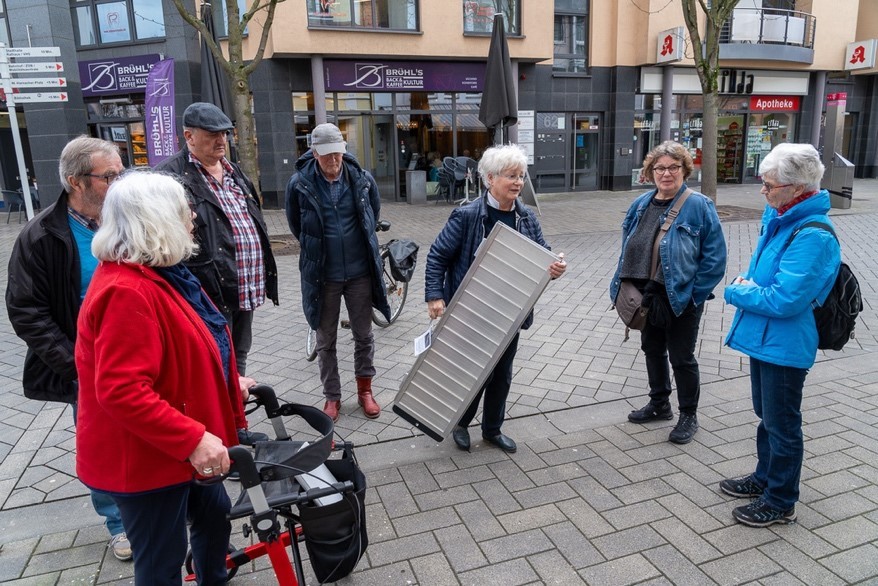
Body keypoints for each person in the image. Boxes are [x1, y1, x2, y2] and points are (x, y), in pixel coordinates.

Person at [75, 170, 246, 582]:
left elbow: (185, 346)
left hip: (176, 449)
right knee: (160, 564)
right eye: (182, 210)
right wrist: (192, 438)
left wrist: (226, 379)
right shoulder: (126, 290)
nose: (192, 217)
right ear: (154, 221)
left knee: (216, 517)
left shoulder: (162, 273)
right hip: (148, 459)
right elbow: (122, 391)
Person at [5, 136, 132, 561]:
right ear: (75, 181)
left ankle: (159, 502)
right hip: (88, 368)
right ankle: (119, 524)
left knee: (149, 433)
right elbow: (27, 311)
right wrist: (74, 365)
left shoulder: (127, 221)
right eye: (109, 175)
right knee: (102, 445)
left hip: (139, 358)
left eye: (120, 172)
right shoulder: (41, 236)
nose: (118, 182)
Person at [721, 143, 840, 527]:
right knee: (767, 416)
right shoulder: (781, 218)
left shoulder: (812, 234)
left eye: (769, 185)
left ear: (797, 188)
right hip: (767, 338)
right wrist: (751, 286)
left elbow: (784, 299)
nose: (763, 191)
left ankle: (781, 500)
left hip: (785, 344)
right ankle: (765, 477)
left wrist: (737, 290)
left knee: (783, 424)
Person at [425, 144, 567, 454]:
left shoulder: (525, 216)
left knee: (501, 374)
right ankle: (461, 424)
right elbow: (437, 256)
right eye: (511, 176)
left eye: (521, 176)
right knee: (472, 370)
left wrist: (554, 266)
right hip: (470, 308)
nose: (518, 182)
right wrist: (435, 296)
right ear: (490, 179)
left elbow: (542, 255)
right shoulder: (466, 215)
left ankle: (492, 430)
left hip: (509, 310)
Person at [156, 102, 276, 445]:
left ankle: (235, 429)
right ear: (189, 136)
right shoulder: (170, 177)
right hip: (206, 294)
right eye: (212, 135)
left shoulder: (234, 170)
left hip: (243, 291)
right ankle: (219, 439)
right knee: (210, 369)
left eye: (224, 133)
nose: (221, 140)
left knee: (236, 362)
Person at [609, 141, 726, 445]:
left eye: (674, 167)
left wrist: (693, 296)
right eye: (659, 168)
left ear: (685, 170)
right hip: (646, 296)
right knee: (652, 349)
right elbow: (627, 247)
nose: (666, 173)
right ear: (650, 172)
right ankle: (660, 404)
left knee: (682, 357)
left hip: (679, 296)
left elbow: (715, 260)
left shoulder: (699, 205)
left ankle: (689, 414)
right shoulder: (641, 204)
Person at [285, 123, 391, 422]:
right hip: (323, 275)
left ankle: (365, 390)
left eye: (338, 154)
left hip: (359, 272)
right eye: (327, 155)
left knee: (364, 335)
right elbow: (296, 225)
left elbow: (373, 214)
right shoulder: (299, 183)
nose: (334, 161)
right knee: (325, 339)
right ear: (314, 152)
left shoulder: (362, 179)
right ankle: (332, 397)